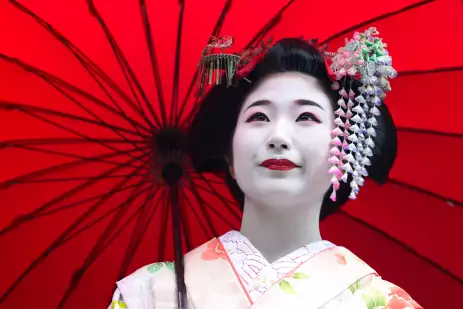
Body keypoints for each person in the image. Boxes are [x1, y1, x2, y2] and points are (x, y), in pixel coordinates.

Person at [109, 29, 422, 308]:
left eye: (306, 117)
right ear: (229, 155)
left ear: (343, 153)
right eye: (258, 117)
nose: (278, 137)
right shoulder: (149, 295)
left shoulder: (381, 303)